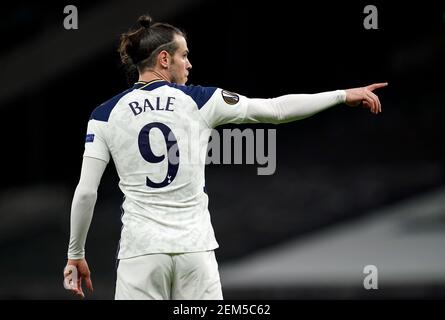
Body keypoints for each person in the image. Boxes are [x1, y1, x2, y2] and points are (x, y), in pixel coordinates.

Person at [63, 13, 387, 300]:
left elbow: (87, 191)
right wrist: (342, 95)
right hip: (195, 251)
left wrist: (75, 253)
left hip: (141, 253)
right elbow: (275, 110)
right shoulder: (202, 100)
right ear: (164, 59)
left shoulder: (104, 114)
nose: (189, 64)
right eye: (184, 56)